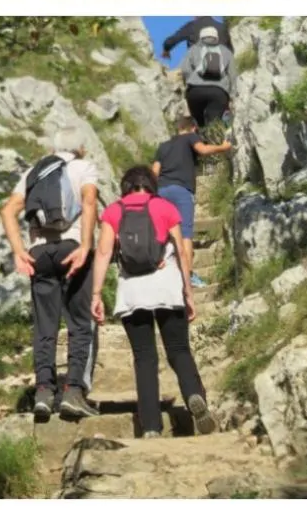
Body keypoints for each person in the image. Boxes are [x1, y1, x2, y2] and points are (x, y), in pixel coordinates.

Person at [91, 165, 213, 439]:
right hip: (167, 286)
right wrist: (188, 292)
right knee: (179, 349)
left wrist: (96, 295)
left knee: (144, 358)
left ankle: (150, 427)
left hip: (132, 291)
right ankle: (194, 394)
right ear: (151, 185)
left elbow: (103, 253)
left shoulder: (114, 211)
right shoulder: (165, 207)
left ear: (126, 186)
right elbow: (181, 252)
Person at [0, 127, 101, 420]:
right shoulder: (83, 167)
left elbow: (7, 211)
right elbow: (89, 201)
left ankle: (44, 391)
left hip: (40, 253)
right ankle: (73, 392)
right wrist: (85, 246)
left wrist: (19, 251)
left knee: (45, 326)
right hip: (72, 249)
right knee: (79, 323)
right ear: (80, 148)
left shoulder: (34, 172)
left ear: (53, 149)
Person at [152, 117, 231, 289]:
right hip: (182, 190)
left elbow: (154, 172)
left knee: (164, 233)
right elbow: (202, 150)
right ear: (193, 128)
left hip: (161, 191)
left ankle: (164, 274)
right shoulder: (190, 137)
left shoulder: (163, 146)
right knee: (185, 233)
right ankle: (188, 275)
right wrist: (223, 147)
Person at [178, 25, 236, 132]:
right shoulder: (226, 52)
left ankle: (199, 135)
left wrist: (189, 84)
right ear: (216, 37)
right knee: (213, 123)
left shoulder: (193, 49)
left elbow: (185, 70)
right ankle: (211, 138)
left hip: (195, 91)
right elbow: (232, 75)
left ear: (201, 37)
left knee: (199, 122)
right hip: (219, 92)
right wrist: (232, 96)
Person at [161, 16, 233, 59]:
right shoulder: (222, 27)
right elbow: (231, 51)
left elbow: (170, 41)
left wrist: (166, 50)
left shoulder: (192, 26)